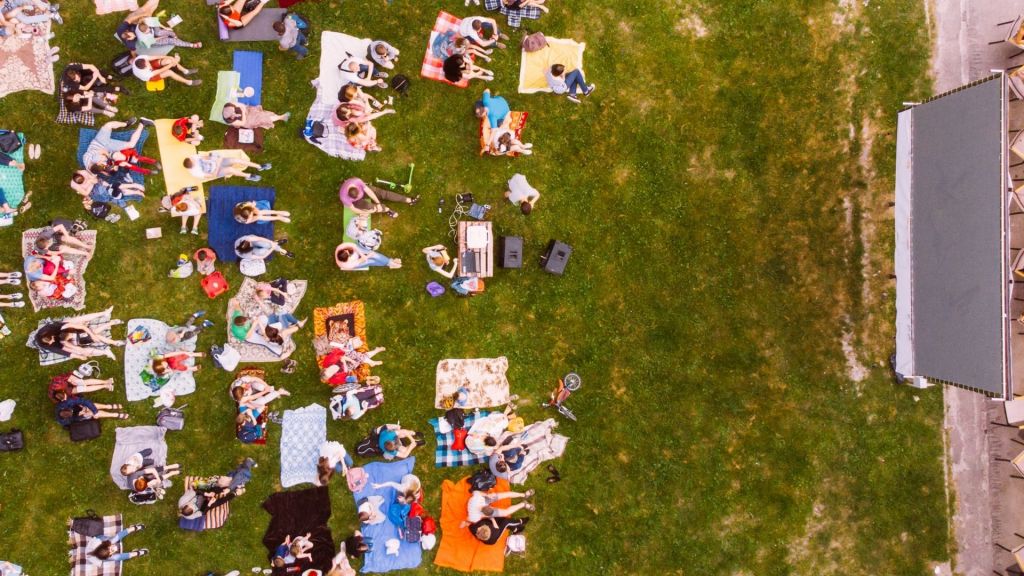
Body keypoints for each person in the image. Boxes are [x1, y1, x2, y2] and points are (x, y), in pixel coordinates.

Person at [33, 315, 124, 361]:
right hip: (78, 340)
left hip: (78, 334)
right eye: (51, 342)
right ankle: (114, 343)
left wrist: (88, 333)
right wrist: (79, 355)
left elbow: (79, 328)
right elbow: (66, 350)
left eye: (52, 339)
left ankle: (112, 329)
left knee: (94, 333)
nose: (52, 341)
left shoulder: (58, 329)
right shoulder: (61, 343)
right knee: (96, 335)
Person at [81, 120, 148, 172]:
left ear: (97, 163)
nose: (104, 164)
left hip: (99, 142)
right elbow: (109, 170)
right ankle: (142, 124)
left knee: (108, 125)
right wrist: (113, 166)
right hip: (109, 149)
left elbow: (101, 151)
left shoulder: (89, 158)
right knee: (131, 144)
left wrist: (108, 157)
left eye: (101, 164)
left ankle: (126, 124)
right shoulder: (97, 169)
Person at [341, 177, 418, 218]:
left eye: (359, 194)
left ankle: (408, 200)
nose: (359, 196)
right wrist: (367, 212)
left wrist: (378, 203)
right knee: (370, 207)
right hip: (356, 202)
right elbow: (354, 209)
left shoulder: (357, 181)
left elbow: (369, 192)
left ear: (357, 188)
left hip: (365, 190)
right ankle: (387, 210)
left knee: (383, 193)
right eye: (356, 196)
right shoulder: (344, 197)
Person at [460, 488, 534, 527]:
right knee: (506, 513)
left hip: (484, 499)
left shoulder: (475, 499)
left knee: (506, 494)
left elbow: (475, 492)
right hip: (482, 510)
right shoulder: (474, 516)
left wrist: (487, 495)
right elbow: (468, 519)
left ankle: (524, 495)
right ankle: (523, 504)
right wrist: (466, 523)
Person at [83, 524, 147, 566]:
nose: (114, 550)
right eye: (111, 552)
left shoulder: (100, 541)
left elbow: (112, 540)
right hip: (102, 555)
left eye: (110, 549)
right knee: (116, 557)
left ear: (105, 545)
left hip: (100, 541)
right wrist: (111, 551)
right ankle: (136, 553)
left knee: (114, 539)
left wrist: (111, 545)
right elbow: (109, 555)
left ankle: (133, 528)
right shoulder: (104, 557)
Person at [184, 153, 270, 182]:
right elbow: (211, 175)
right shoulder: (195, 172)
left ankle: (259, 166)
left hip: (216, 162)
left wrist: (216, 159)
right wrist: (217, 166)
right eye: (194, 161)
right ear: (193, 165)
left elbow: (205, 157)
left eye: (193, 159)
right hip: (216, 171)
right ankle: (248, 176)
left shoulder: (192, 157)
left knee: (235, 160)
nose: (194, 159)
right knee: (230, 170)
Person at [131, 54, 201, 86]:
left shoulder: (141, 58)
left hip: (151, 69)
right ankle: (188, 82)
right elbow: (161, 70)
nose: (148, 62)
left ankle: (186, 71)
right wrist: (173, 63)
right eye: (147, 64)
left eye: (147, 61)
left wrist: (170, 57)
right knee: (169, 72)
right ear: (144, 67)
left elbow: (156, 57)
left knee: (167, 61)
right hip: (151, 77)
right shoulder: (145, 74)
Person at [48, 371, 114, 403]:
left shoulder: (57, 383)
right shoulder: (54, 397)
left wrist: (70, 381)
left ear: (62, 391)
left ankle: (106, 381)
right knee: (84, 389)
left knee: (83, 382)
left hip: (66, 380)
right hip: (67, 389)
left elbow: (64, 377)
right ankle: (105, 386)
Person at [55, 397, 128, 426]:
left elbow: (83, 401)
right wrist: (81, 415)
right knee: (91, 412)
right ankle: (115, 415)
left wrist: (83, 406)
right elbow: (74, 421)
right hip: (78, 416)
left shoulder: (65, 403)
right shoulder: (63, 421)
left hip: (77, 406)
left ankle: (108, 406)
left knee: (92, 407)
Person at [223, 103, 290, 131]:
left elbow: (241, 105)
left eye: (234, 110)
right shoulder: (234, 122)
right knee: (262, 118)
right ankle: (281, 117)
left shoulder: (230, 106)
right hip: (248, 121)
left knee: (262, 113)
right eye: (233, 114)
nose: (235, 112)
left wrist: (244, 109)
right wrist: (243, 112)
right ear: (230, 118)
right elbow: (243, 122)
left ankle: (280, 117)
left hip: (248, 111)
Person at [335, 243, 401, 270]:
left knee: (374, 254)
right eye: (348, 253)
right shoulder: (348, 264)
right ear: (348, 258)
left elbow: (354, 246)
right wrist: (368, 255)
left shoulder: (340, 247)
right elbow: (363, 260)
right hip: (356, 263)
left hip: (357, 252)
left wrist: (361, 254)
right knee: (371, 261)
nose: (347, 251)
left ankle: (390, 262)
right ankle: (390, 263)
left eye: (346, 250)